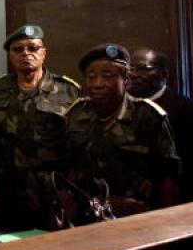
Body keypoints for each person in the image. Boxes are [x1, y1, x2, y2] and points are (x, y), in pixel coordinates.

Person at [64, 44, 180, 217]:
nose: (97, 84)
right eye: (91, 77)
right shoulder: (76, 113)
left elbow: (168, 176)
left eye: (107, 76)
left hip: (135, 216)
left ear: (126, 80)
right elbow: (69, 168)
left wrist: (167, 220)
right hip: (86, 215)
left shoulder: (148, 116)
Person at [0, 24, 81, 230]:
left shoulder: (68, 91)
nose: (25, 54)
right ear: (10, 55)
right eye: (18, 49)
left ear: (44, 53)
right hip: (11, 192)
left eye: (32, 48)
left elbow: (79, 149)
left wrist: (71, 192)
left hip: (54, 189)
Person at [129, 47, 193, 202]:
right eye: (130, 69)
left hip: (178, 205)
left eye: (143, 69)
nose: (134, 75)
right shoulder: (122, 108)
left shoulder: (192, 111)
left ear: (164, 74)